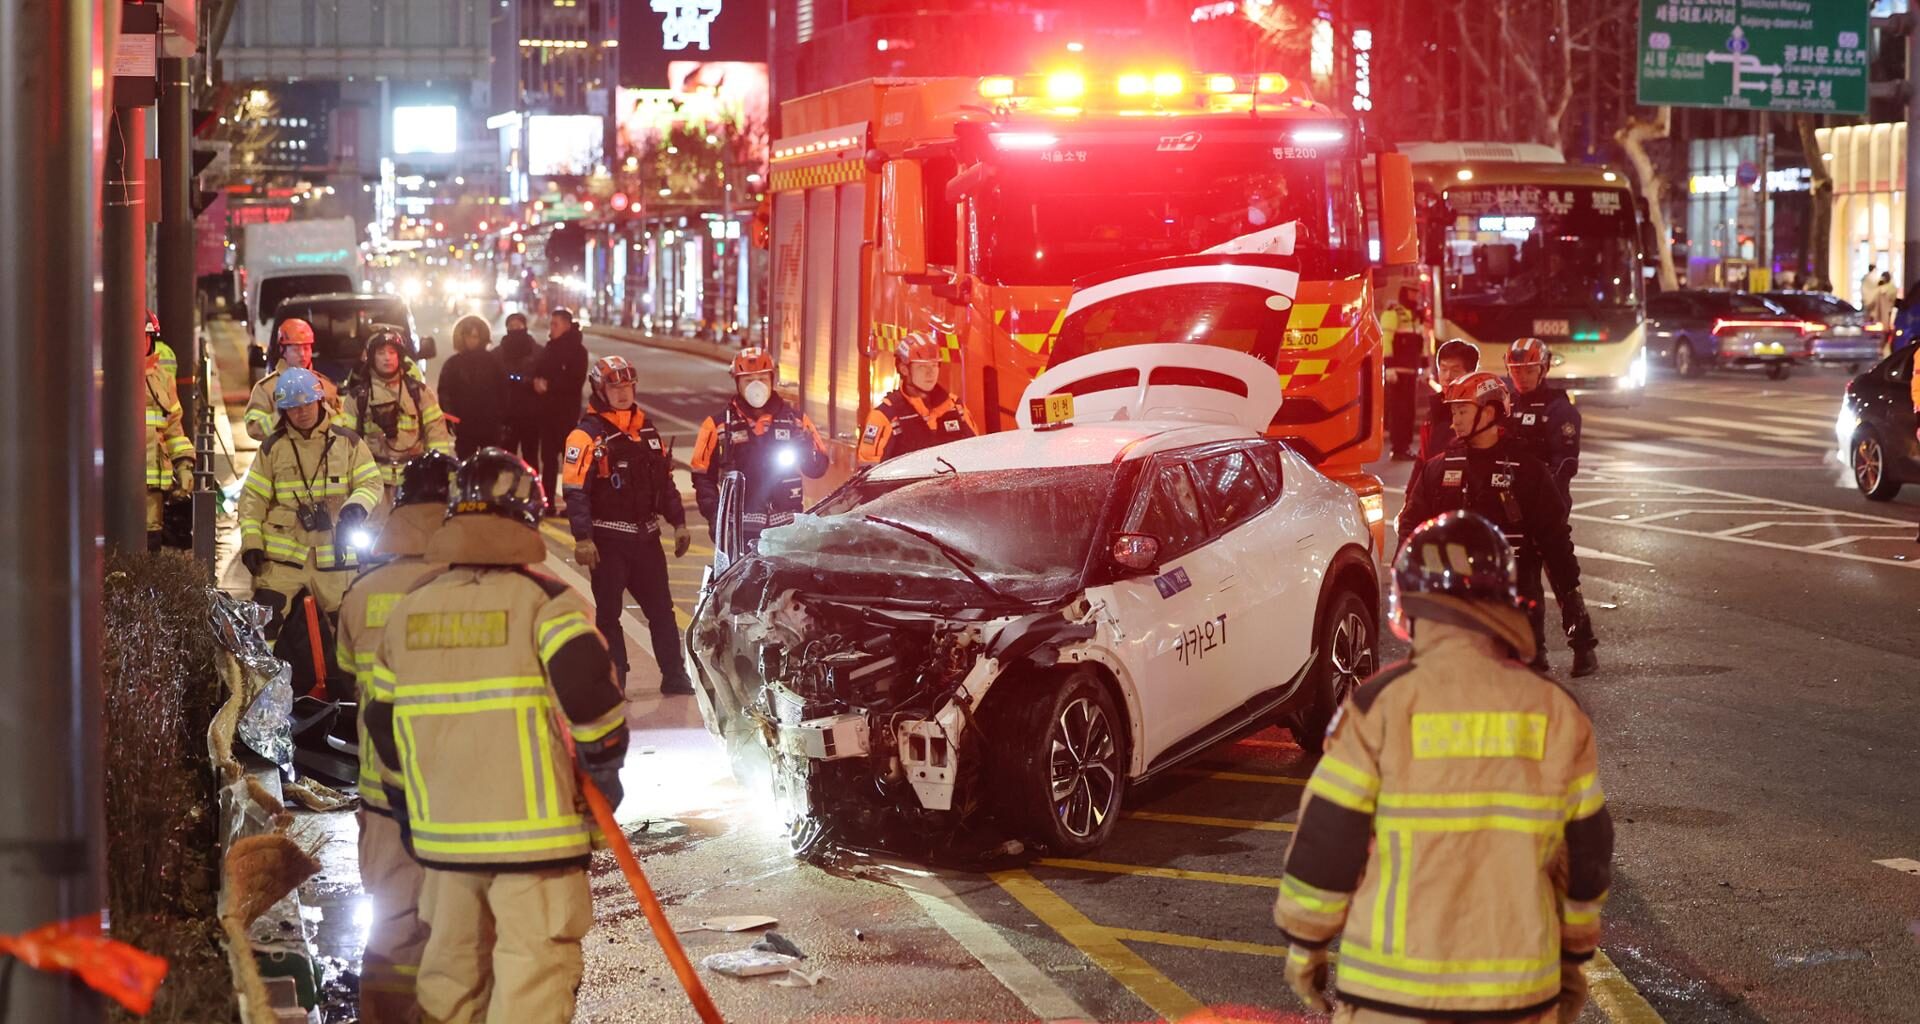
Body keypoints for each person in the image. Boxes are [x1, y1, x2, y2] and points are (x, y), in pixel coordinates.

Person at [1274, 510, 1614, 1024]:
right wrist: (1572, 959)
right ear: (1503, 601)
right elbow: (1585, 859)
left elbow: (1328, 839)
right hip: (1517, 992)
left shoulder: (1378, 707)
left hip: (1390, 995)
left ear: (1412, 607)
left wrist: (1306, 946)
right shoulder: (1555, 712)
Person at [362, 449, 628, 1024]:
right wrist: (603, 767)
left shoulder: (410, 610)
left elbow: (382, 724)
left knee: (452, 975)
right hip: (536, 843)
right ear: (526, 518)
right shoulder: (545, 603)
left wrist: (410, 808)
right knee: (532, 975)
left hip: (443, 844)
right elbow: (590, 695)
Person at [334, 451, 456, 1024]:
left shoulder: (363, 592)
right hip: (464, 795)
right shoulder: (479, 586)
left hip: (384, 796)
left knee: (392, 929)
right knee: (463, 930)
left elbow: (346, 673)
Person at [1398, 371, 1598, 677]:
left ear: (1490, 412)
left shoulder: (1528, 472)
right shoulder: (1438, 468)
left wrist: (1572, 602)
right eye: (1453, 412)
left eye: (1463, 411)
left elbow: (1555, 539)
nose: (1455, 421)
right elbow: (1411, 525)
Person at [562, 355, 695, 696]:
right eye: (614, 387)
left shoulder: (647, 432)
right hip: (607, 542)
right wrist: (583, 538)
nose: (622, 394)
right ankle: (615, 677)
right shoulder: (585, 435)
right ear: (599, 389)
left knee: (662, 611)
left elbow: (664, 483)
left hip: (647, 540)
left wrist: (679, 523)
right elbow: (575, 491)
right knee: (609, 615)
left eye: (627, 386)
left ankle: (674, 674)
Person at [237, 368, 383, 636]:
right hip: (282, 561)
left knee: (352, 630)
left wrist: (355, 507)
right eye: (293, 407)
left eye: (306, 404)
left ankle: (350, 679)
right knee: (260, 631)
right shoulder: (272, 447)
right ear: (283, 411)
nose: (301, 412)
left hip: (336, 557)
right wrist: (251, 544)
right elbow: (252, 499)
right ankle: (259, 679)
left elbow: (371, 482)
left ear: (319, 402)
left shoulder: (348, 443)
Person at [691, 347, 829, 547]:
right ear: (737, 382)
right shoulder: (718, 425)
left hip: (787, 531)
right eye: (748, 380)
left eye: (762, 379)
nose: (756, 386)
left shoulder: (796, 421)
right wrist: (715, 517)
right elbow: (702, 477)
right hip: (739, 532)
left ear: (772, 380)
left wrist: (806, 448)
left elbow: (818, 468)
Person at [340, 327, 454, 508]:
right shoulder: (357, 398)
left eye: (392, 352)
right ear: (371, 357)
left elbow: (437, 435)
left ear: (399, 357)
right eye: (381, 352)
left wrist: (438, 472)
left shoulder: (419, 393)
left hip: (413, 482)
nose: (387, 357)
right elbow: (346, 444)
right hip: (373, 485)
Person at [857, 333, 979, 463]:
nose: (930, 373)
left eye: (934, 366)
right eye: (922, 367)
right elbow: (869, 474)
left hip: (951, 483)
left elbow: (977, 456)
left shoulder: (956, 408)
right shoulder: (884, 416)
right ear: (904, 369)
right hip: (907, 484)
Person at [1504, 337, 1581, 504]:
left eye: (1529, 371)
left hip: (1545, 496)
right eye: (1516, 371)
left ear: (1543, 369)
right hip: (1508, 494)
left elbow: (1566, 461)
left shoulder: (1559, 408)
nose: (1522, 377)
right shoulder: (1504, 404)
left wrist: (1543, 487)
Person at [244, 318, 339, 443]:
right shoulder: (266, 388)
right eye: (296, 349)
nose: (302, 355)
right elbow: (253, 429)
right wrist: (283, 414)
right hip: (283, 459)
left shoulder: (325, 385)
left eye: (306, 348)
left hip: (323, 458)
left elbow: (340, 425)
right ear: (283, 351)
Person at [145, 317, 195, 550]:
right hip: (112, 491)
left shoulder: (163, 379)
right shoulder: (106, 378)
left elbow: (174, 429)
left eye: (144, 338)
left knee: (150, 545)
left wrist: (184, 466)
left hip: (152, 491)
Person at [533, 308, 589, 514]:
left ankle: (573, 505)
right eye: (551, 324)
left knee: (570, 463)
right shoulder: (550, 347)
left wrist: (549, 386)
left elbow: (575, 381)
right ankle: (548, 503)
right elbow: (540, 370)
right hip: (547, 413)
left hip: (566, 414)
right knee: (548, 461)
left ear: (566, 325)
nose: (552, 328)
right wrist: (538, 382)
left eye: (555, 324)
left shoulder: (577, 351)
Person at [435, 314, 511, 457]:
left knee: (489, 467)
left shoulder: (493, 362)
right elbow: (444, 392)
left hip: (490, 425)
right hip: (465, 425)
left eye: (475, 336)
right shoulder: (453, 364)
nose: (471, 340)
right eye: (468, 336)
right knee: (466, 465)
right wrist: (451, 419)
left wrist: (501, 418)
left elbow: (504, 390)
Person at [1379, 285, 1427, 461]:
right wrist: (1389, 367)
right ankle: (1398, 448)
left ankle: (1405, 447)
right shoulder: (1393, 313)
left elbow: (1421, 343)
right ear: (1404, 293)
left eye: (1417, 293)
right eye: (1412, 292)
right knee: (1399, 412)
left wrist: (1426, 367)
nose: (1415, 296)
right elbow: (1387, 341)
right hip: (1397, 372)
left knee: (1409, 412)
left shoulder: (1416, 316)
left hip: (1411, 371)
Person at [1417, 338, 1479, 462]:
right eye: (1443, 369)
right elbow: (1422, 461)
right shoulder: (1433, 411)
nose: (1447, 377)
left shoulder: (1479, 412)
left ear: (1471, 373)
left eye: (1455, 370)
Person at [497, 312, 546, 468]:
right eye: (511, 327)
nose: (515, 330)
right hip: (507, 415)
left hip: (531, 416)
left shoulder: (538, 352)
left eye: (519, 326)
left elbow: (544, 379)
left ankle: (532, 492)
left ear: (525, 327)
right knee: (506, 460)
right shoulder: (497, 354)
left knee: (530, 459)